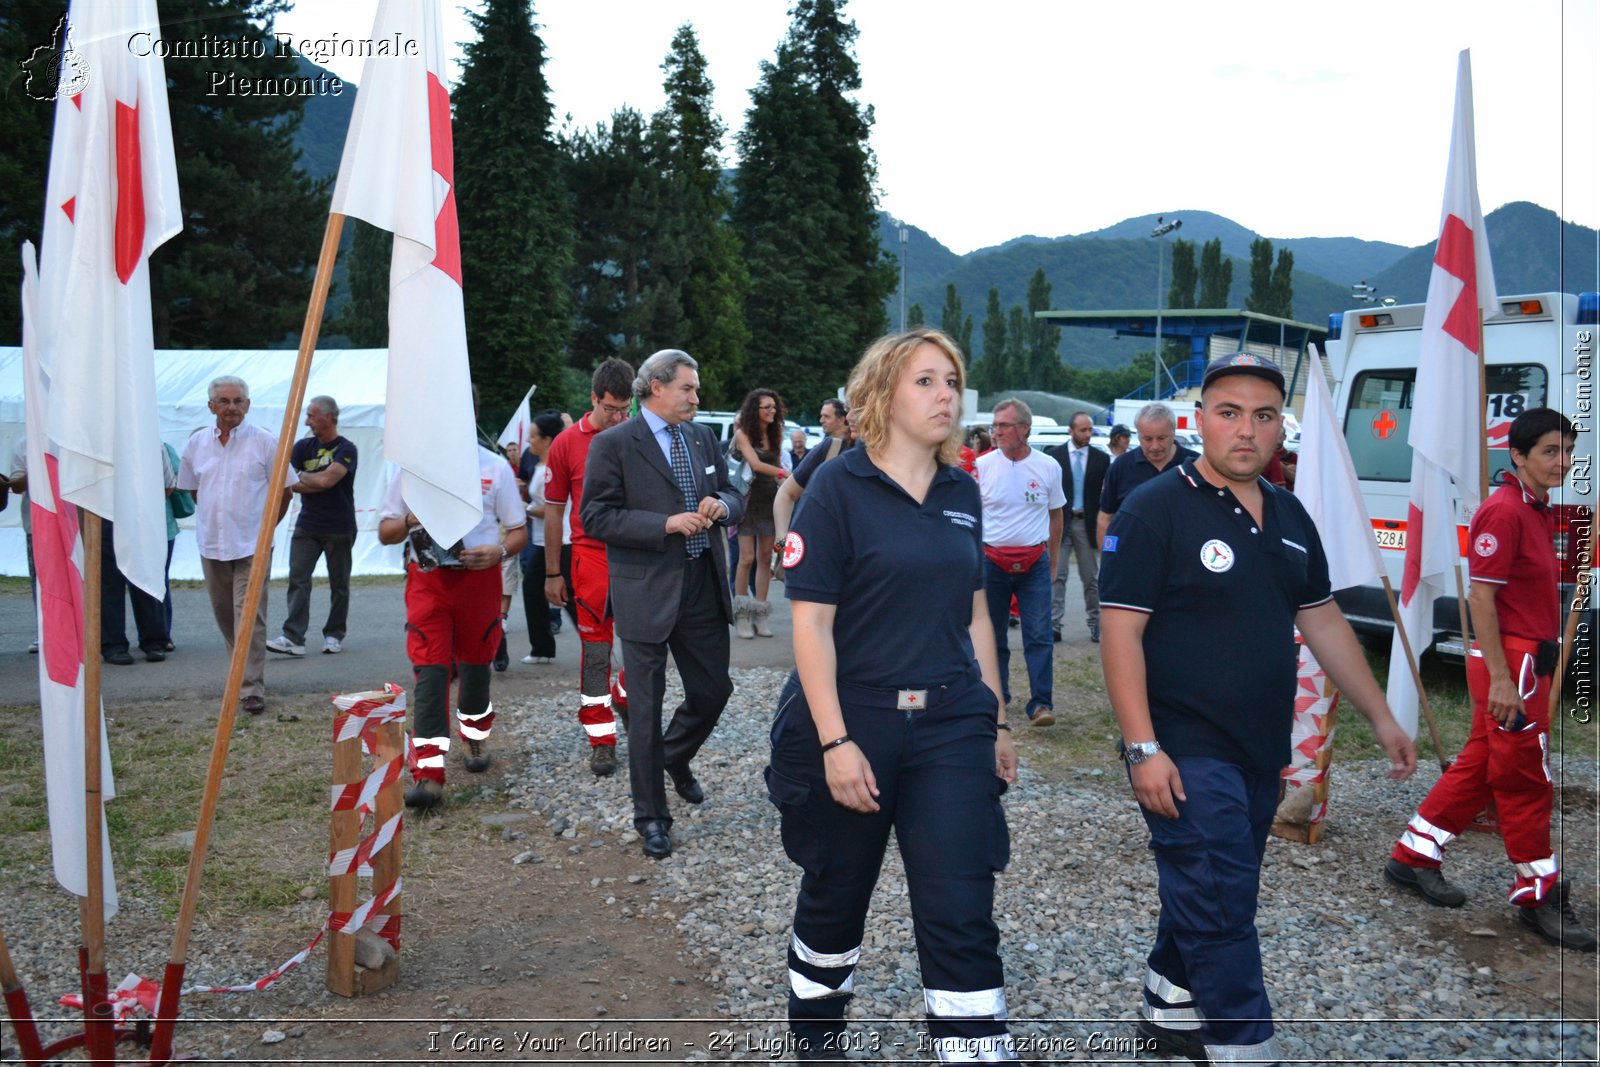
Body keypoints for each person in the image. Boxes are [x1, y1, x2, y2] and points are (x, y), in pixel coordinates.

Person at [1098, 353, 1415, 1064]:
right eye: (1230, 412)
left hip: (1260, 750)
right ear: (1200, 420)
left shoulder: (1292, 513)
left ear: (1280, 428)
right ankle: (1248, 1047)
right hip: (1183, 747)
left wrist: (1382, 715)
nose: (1247, 429)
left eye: (1264, 415)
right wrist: (1142, 747)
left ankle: (1165, 1008)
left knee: (1217, 888)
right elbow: (1120, 631)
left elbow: (1323, 618)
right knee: (1220, 904)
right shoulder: (1156, 509)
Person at [769, 327, 1020, 1062]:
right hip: (858, 720)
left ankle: (975, 1051)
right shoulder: (837, 489)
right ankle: (816, 1041)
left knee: (961, 906)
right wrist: (835, 742)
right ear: (882, 393)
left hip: (950, 725)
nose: (947, 394)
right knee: (835, 895)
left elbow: (976, 613)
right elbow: (811, 625)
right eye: (927, 381)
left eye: (952, 381)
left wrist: (996, 719)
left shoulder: (962, 489)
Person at [1385, 408, 1594, 949]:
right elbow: (1481, 597)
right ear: (1518, 455)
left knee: (1481, 764)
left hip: (1529, 660)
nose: (1562, 461)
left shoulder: (1537, 508)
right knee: (1526, 778)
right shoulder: (1503, 512)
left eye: (1568, 450)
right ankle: (1537, 892)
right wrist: (1502, 680)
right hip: (1513, 665)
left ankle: (1413, 855)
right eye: (1550, 451)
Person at [581, 349, 744, 859]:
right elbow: (595, 517)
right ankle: (652, 817)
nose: (696, 398)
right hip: (645, 590)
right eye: (688, 389)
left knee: (714, 690)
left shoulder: (701, 437)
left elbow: (734, 489)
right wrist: (664, 524)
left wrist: (724, 504)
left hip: (701, 584)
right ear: (656, 387)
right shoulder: (614, 444)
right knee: (645, 710)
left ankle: (672, 757)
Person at [377, 390, 527, 810]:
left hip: (479, 581)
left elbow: (518, 532)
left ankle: (476, 738)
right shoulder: (413, 471)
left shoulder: (494, 467)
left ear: (471, 414)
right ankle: (428, 773)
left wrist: (498, 551)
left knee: (477, 666)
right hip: (428, 580)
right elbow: (385, 532)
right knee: (431, 670)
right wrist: (409, 519)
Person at [176, 376, 293, 715]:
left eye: (238, 401)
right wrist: (218, 517)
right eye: (225, 401)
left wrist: (265, 528)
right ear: (211, 406)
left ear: (248, 405)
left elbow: (285, 490)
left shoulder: (266, 443)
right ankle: (240, 672)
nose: (232, 407)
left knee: (249, 616)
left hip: (252, 545)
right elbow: (194, 490)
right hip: (212, 542)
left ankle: (251, 687)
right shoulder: (197, 443)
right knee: (225, 615)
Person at [543, 359, 636, 777]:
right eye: (611, 409)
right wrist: (551, 573)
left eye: (625, 409)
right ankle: (601, 739)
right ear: (593, 398)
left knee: (642, 644)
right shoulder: (566, 443)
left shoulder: (639, 435)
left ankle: (629, 698)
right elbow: (552, 513)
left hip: (638, 556)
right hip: (590, 558)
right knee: (597, 652)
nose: (618, 418)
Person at [975, 398, 1064, 727]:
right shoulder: (982, 467)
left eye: (1003, 425)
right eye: (994, 425)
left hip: (1034, 563)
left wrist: (1052, 562)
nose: (996, 432)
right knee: (992, 635)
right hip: (991, 561)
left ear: (1024, 429)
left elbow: (1056, 516)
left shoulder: (1048, 467)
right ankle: (996, 697)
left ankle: (1041, 704)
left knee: (1039, 635)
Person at [269, 396, 358, 658]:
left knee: (339, 583)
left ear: (328, 417)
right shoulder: (302, 446)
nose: (307, 421)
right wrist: (311, 479)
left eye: (311, 415)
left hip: (340, 526)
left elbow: (328, 481)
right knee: (298, 579)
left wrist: (303, 478)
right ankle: (293, 637)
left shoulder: (347, 448)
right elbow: (287, 481)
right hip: (307, 525)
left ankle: (334, 634)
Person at [99, 444, 177, 664]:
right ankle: (114, 644)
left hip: (141, 517)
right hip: (108, 516)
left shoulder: (153, 442)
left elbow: (168, 485)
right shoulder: (98, 440)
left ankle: (153, 641)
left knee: (146, 580)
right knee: (109, 584)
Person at [730, 388, 789, 639]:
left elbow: (776, 465)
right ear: (755, 409)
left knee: (765, 558)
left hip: (770, 501)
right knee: (746, 559)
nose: (772, 411)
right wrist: (784, 475)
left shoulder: (776, 434)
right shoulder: (742, 434)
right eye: (766, 407)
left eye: (774, 407)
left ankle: (761, 614)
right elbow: (755, 464)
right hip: (748, 501)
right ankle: (742, 614)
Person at [1096, 402, 1197, 548]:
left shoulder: (1196, 466)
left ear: (1174, 432)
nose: (1155, 446)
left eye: (1162, 438)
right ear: (1138, 435)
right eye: (1147, 439)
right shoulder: (1121, 466)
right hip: (1134, 559)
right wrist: (1108, 558)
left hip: (1185, 562)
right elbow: (1105, 518)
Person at [1048, 411, 1109, 644]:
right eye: (1083, 430)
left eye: (1090, 430)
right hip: (1061, 522)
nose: (1087, 434)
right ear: (1070, 431)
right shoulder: (1054, 457)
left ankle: (1095, 624)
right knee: (1057, 575)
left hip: (1087, 523)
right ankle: (1054, 624)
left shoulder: (1100, 459)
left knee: (1090, 577)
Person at [519, 412, 574, 665]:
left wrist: (525, 508)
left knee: (569, 596)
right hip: (544, 541)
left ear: (547, 439)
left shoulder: (553, 467)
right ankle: (542, 647)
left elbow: (552, 507)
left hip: (560, 540)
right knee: (533, 589)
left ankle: (599, 642)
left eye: (533, 436)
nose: (529, 441)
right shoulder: (541, 466)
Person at [7, 433, 36, 652]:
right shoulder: (23, 443)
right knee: (42, 583)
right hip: (36, 525)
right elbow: (16, 486)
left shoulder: (72, 436)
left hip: (75, 525)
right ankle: (46, 633)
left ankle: (85, 632)